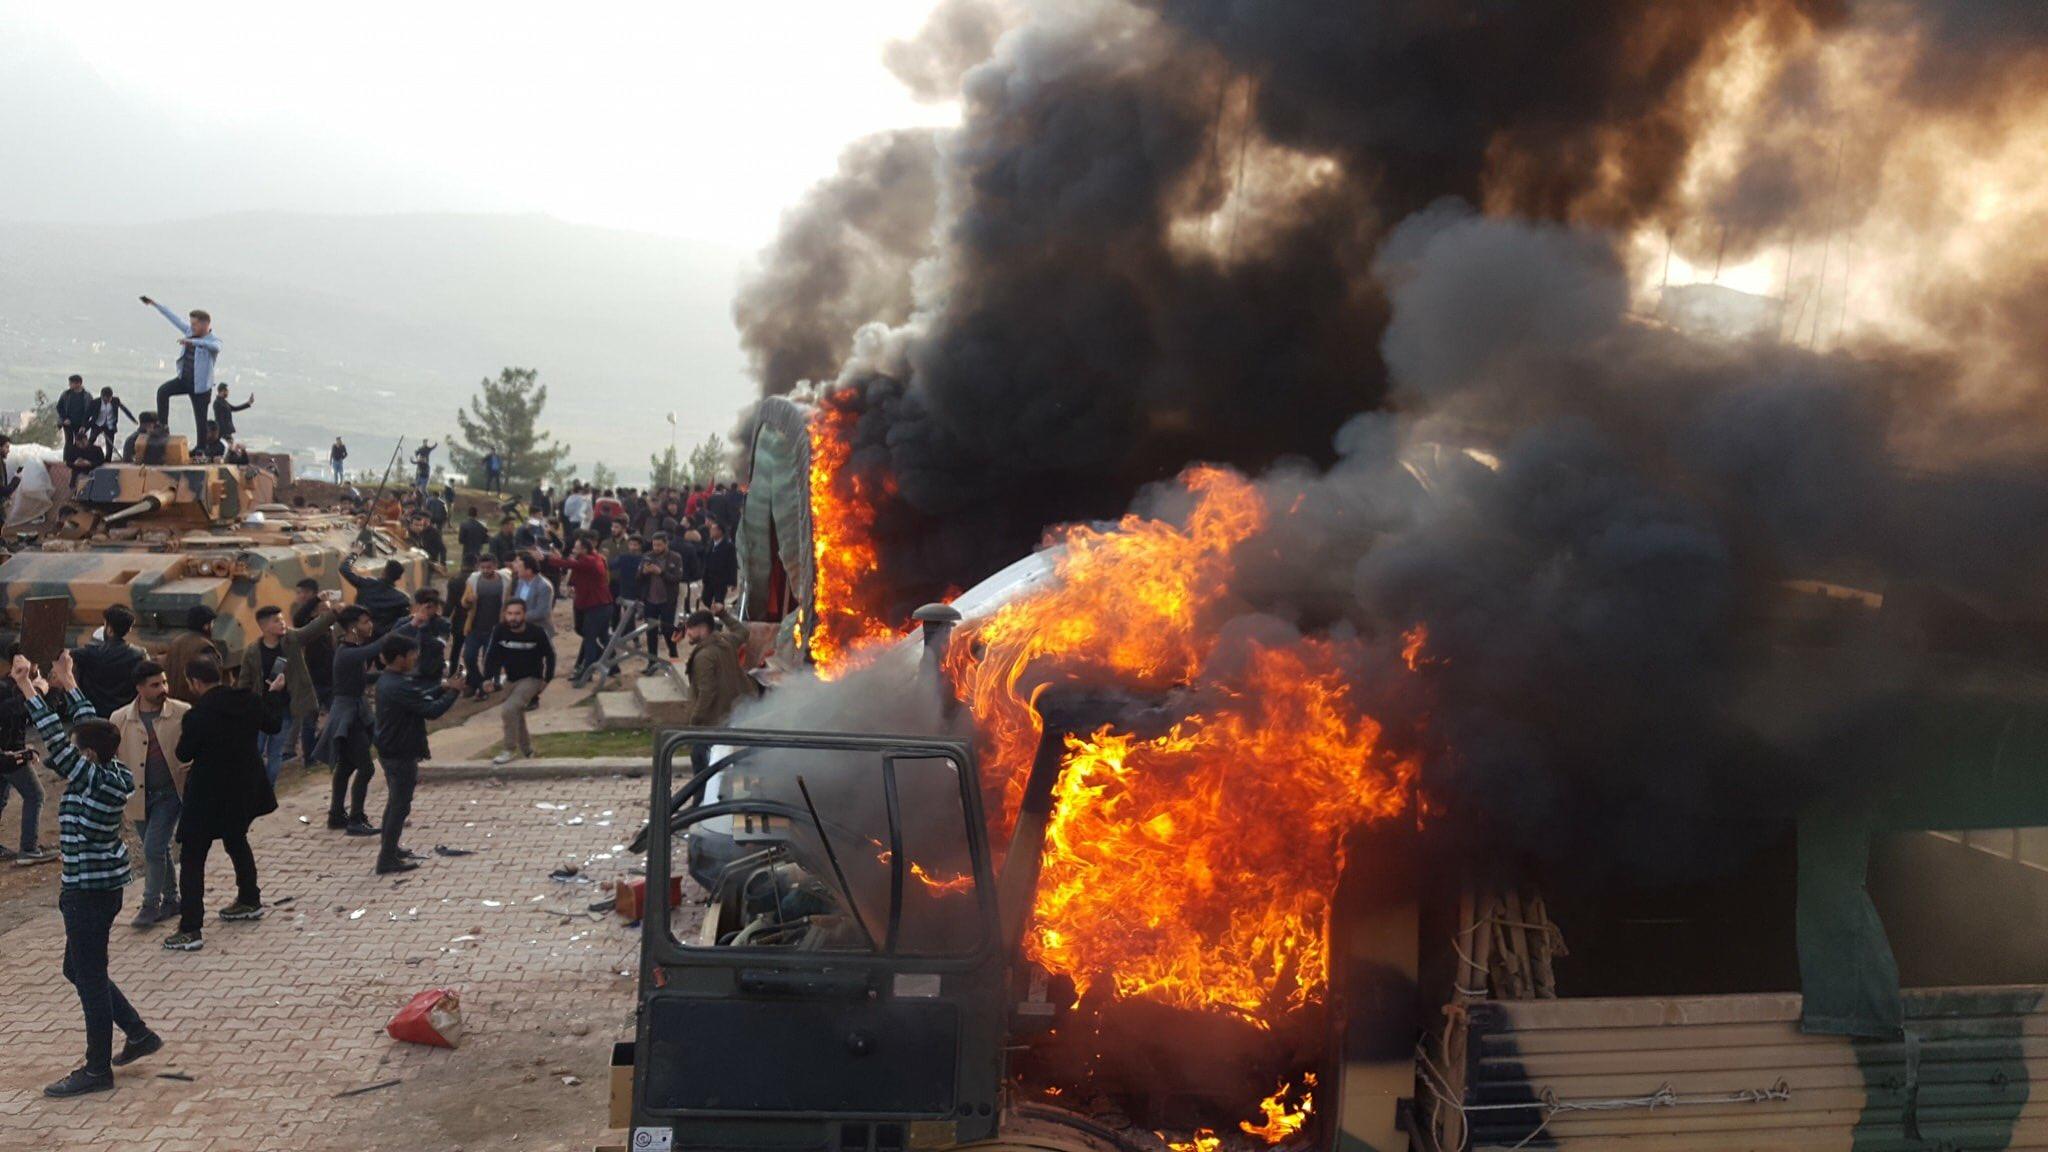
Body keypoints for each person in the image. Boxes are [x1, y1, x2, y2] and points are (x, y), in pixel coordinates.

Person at [15, 652, 162, 1098]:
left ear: (90, 756)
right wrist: (69, 681)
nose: (74, 753)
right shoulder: (110, 769)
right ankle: (138, 1034)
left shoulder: (89, 778)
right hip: (103, 887)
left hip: (87, 893)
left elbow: (61, 748)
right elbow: (89, 728)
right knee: (76, 968)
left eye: (81, 751)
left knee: (89, 977)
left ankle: (97, 1070)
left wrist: (27, 688)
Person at [163, 657, 278, 952]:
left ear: (195, 683)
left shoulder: (198, 715)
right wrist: (274, 693)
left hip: (207, 793)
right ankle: (249, 898)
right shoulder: (248, 700)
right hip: (243, 789)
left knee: (192, 857)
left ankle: (191, 927)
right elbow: (274, 725)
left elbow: (184, 754)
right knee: (237, 841)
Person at [111, 662, 189, 928]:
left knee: (153, 848)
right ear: (140, 688)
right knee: (158, 849)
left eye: (164, 683)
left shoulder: (181, 712)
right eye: (155, 685)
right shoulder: (120, 719)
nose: (163, 689)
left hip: (170, 793)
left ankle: (149, 903)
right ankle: (172, 899)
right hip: (138, 795)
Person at [370, 635, 456, 875]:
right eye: (411, 654)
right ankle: (386, 859)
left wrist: (443, 687)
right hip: (400, 752)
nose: (415, 658)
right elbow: (431, 710)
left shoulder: (391, 680)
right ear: (399, 658)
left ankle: (391, 849)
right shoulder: (397, 684)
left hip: (391, 749)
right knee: (399, 805)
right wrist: (453, 693)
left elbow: (418, 698)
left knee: (396, 803)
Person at [237, 601, 336, 784]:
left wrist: (333, 613)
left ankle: (269, 790)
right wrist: (243, 707)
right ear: (264, 626)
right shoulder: (252, 651)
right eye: (276, 621)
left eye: (282, 619)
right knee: (255, 751)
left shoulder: (291, 640)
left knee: (275, 754)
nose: (282, 623)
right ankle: (254, 789)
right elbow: (244, 682)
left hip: (284, 710)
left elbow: (312, 629)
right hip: (260, 709)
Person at [315, 607, 381, 836]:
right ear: (353, 627)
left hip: (354, 711)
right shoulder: (347, 652)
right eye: (365, 621)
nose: (369, 625)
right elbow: (378, 647)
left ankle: (336, 815)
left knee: (346, 766)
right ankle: (355, 819)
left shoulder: (352, 649)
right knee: (366, 768)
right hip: (349, 716)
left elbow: (362, 678)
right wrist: (408, 626)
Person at [483, 598, 555, 764]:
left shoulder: (536, 632)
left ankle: (509, 749)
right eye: (509, 614)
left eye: (517, 614)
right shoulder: (500, 630)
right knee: (516, 712)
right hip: (511, 679)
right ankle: (527, 749)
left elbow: (550, 655)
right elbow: (492, 656)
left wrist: (547, 678)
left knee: (509, 709)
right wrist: (489, 678)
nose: (513, 618)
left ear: (524, 614)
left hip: (532, 679)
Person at [140, 296, 221, 438]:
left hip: (200, 388)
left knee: (200, 420)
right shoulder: (190, 332)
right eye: (191, 324)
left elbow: (215, 347)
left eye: (195, 324)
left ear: (204, 325)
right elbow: (173, 318)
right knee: (163, 391)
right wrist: (155, 304)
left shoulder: (213, 340)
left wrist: (194, 342)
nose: (192, 327)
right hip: (184, 380)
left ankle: (200, 448)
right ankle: (163, 426)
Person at [0, 660, 51, 866]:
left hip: (9, 753)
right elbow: (12, 711)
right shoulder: (6, 688)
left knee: (1, 799)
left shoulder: (10, 685)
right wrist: (38, 691)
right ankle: (29, 849)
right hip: (8, 757)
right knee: (35, 795)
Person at [544, 534, 614, 676]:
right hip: (592, 604)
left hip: (598, 605)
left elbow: (570, 564)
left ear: (584, 549)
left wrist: (546, 558)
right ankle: (612, 664)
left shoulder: (591, 560)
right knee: (594, 635)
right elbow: (573, 567)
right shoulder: (587, 559)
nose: (573, 550)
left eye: (576, 548)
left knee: (590, 637)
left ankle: (586, 672)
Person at [678, 605, 753, 727]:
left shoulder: (704, 657)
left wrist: (695, 721)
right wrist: (723, 614)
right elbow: (742, 632)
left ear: (702, 629)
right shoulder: (725, 640)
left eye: (690, 629)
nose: (687, 633)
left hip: (714, 723)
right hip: (736, 715)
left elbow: (706, 693)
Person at [71, 605, 146, 716]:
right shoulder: (139, 654)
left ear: (110, 630)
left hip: (96, 715)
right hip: (126, 715)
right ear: (129, 629)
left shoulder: (89, 654)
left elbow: (62, 655)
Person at [290, 581, 335, 763]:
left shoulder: (330, 625)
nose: (299, 596)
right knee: (309, 722)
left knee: (336, 718)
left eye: (302, 592)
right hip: (312, 679)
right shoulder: (306, 625)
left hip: (330, 678)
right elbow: (298, 618)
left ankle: (324, 749)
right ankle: (310, 757)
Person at [459, 554, 513, 699]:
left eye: (488, 567)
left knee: (489, 660)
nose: (485, 570)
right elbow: (463, 602)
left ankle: (484, 690)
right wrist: (469, 600)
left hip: (495, 628)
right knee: (469, 657)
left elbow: (509, 602)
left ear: (495, 566)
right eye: (482, 567)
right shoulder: (473, 581)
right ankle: (481, 683)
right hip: (474, 628)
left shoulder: (505, 581)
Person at [639, 533, 686, 663]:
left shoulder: (675, 558)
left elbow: (677, 578)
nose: (656, 547)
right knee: (651, 632)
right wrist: (644, 572)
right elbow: (638, 577)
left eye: (659, 545)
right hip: (650, 600)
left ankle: (673, 656)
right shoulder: (647, 556)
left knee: (668, 630)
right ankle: (652, 662)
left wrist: (661, 573)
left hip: (667, 600)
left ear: (666, 544)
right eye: (654, 545)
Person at [340, 555, 412, 636]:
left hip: (359, 634)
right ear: (398, 578)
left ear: (384, 572)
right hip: (381, 640)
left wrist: (354, 553)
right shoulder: (402, 599)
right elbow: (402, 623)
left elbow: (344, 569)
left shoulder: (366, 584)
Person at [163, 606, 222, 704]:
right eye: (212, 623)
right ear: (206, 626)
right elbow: (211, 681)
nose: (213, 626)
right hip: (195, 703)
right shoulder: (205, 646)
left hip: (173, 702)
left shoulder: (177, 641)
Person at [390, 588, 452, 682]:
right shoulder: (404, 622)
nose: (431, 610)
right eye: (427, 607)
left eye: (433, 606)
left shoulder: (443, 624)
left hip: (432, 672)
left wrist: (424, 628)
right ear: (417, 605)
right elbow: (391, 641)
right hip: (407, 672)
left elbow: (439, 645)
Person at [510, 552, 556, 638]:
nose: (516, 569)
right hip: (521, 629)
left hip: (539, 630)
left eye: (520, 567)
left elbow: (541, 612)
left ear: (529, 571)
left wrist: (519, 616)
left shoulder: (544, 586)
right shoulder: (521, 581)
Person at [701, 520, 738, 608]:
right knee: (705, 600)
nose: (711, 531)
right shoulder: (710, 544)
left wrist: (733, 582)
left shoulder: (728, 546)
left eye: (714, 529)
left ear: (720, 531)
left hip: (721, 580)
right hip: (709, 579)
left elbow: (732, 564)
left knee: (719, 601)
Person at [89, 387, 135, 457]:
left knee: (109, 445)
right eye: (105, 399)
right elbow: (87, 415)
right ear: (101, 396)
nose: (107, 400)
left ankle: (108, 460)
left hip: (109, 426)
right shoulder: (95, 402)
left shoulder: (115, 400)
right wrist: (84, 426)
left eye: (109, 398)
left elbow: (124, 409)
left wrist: (133, 419)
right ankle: (88, 456)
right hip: (97, 425)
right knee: (90, 441)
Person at [56, 374, 95, 443]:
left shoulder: (87, 396)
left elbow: (90, 411)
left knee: (80, 443)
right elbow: (59, 407)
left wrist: (84, 425)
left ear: (78, 383)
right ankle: (68, 454)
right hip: (68, 423)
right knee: (69, 442)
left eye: (71, 383)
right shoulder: (66, 394)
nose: (69, 385)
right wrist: (65, 418)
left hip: (81, 423)